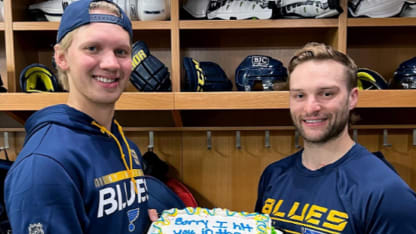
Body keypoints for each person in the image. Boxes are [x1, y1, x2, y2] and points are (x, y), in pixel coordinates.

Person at [4, 0, 157, 233]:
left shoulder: (126, 147)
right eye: (92, 48)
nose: (111, 63)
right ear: (61, 57)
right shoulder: (46, 166)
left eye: (121, 51)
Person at [255, 42, 416, 233]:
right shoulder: (273, 175)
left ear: (352, 98)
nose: (310, 107)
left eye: (326, 93)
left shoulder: (387, 193)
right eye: (300, 95)